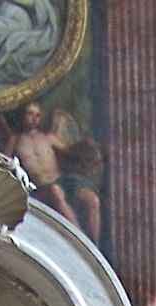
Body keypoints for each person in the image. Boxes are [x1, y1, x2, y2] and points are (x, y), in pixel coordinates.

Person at [7, 101, 102, 243]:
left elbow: (71, 151)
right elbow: (5, 163)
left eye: (37, 115)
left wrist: (87, 148)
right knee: (55, 191)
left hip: (63, 180)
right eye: (30, 114)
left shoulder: (48, 138)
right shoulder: (15, 141)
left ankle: (95, 245)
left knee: (92, 200)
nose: (34, 118)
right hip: (40, 186)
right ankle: (80, 240)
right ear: (23, 116)